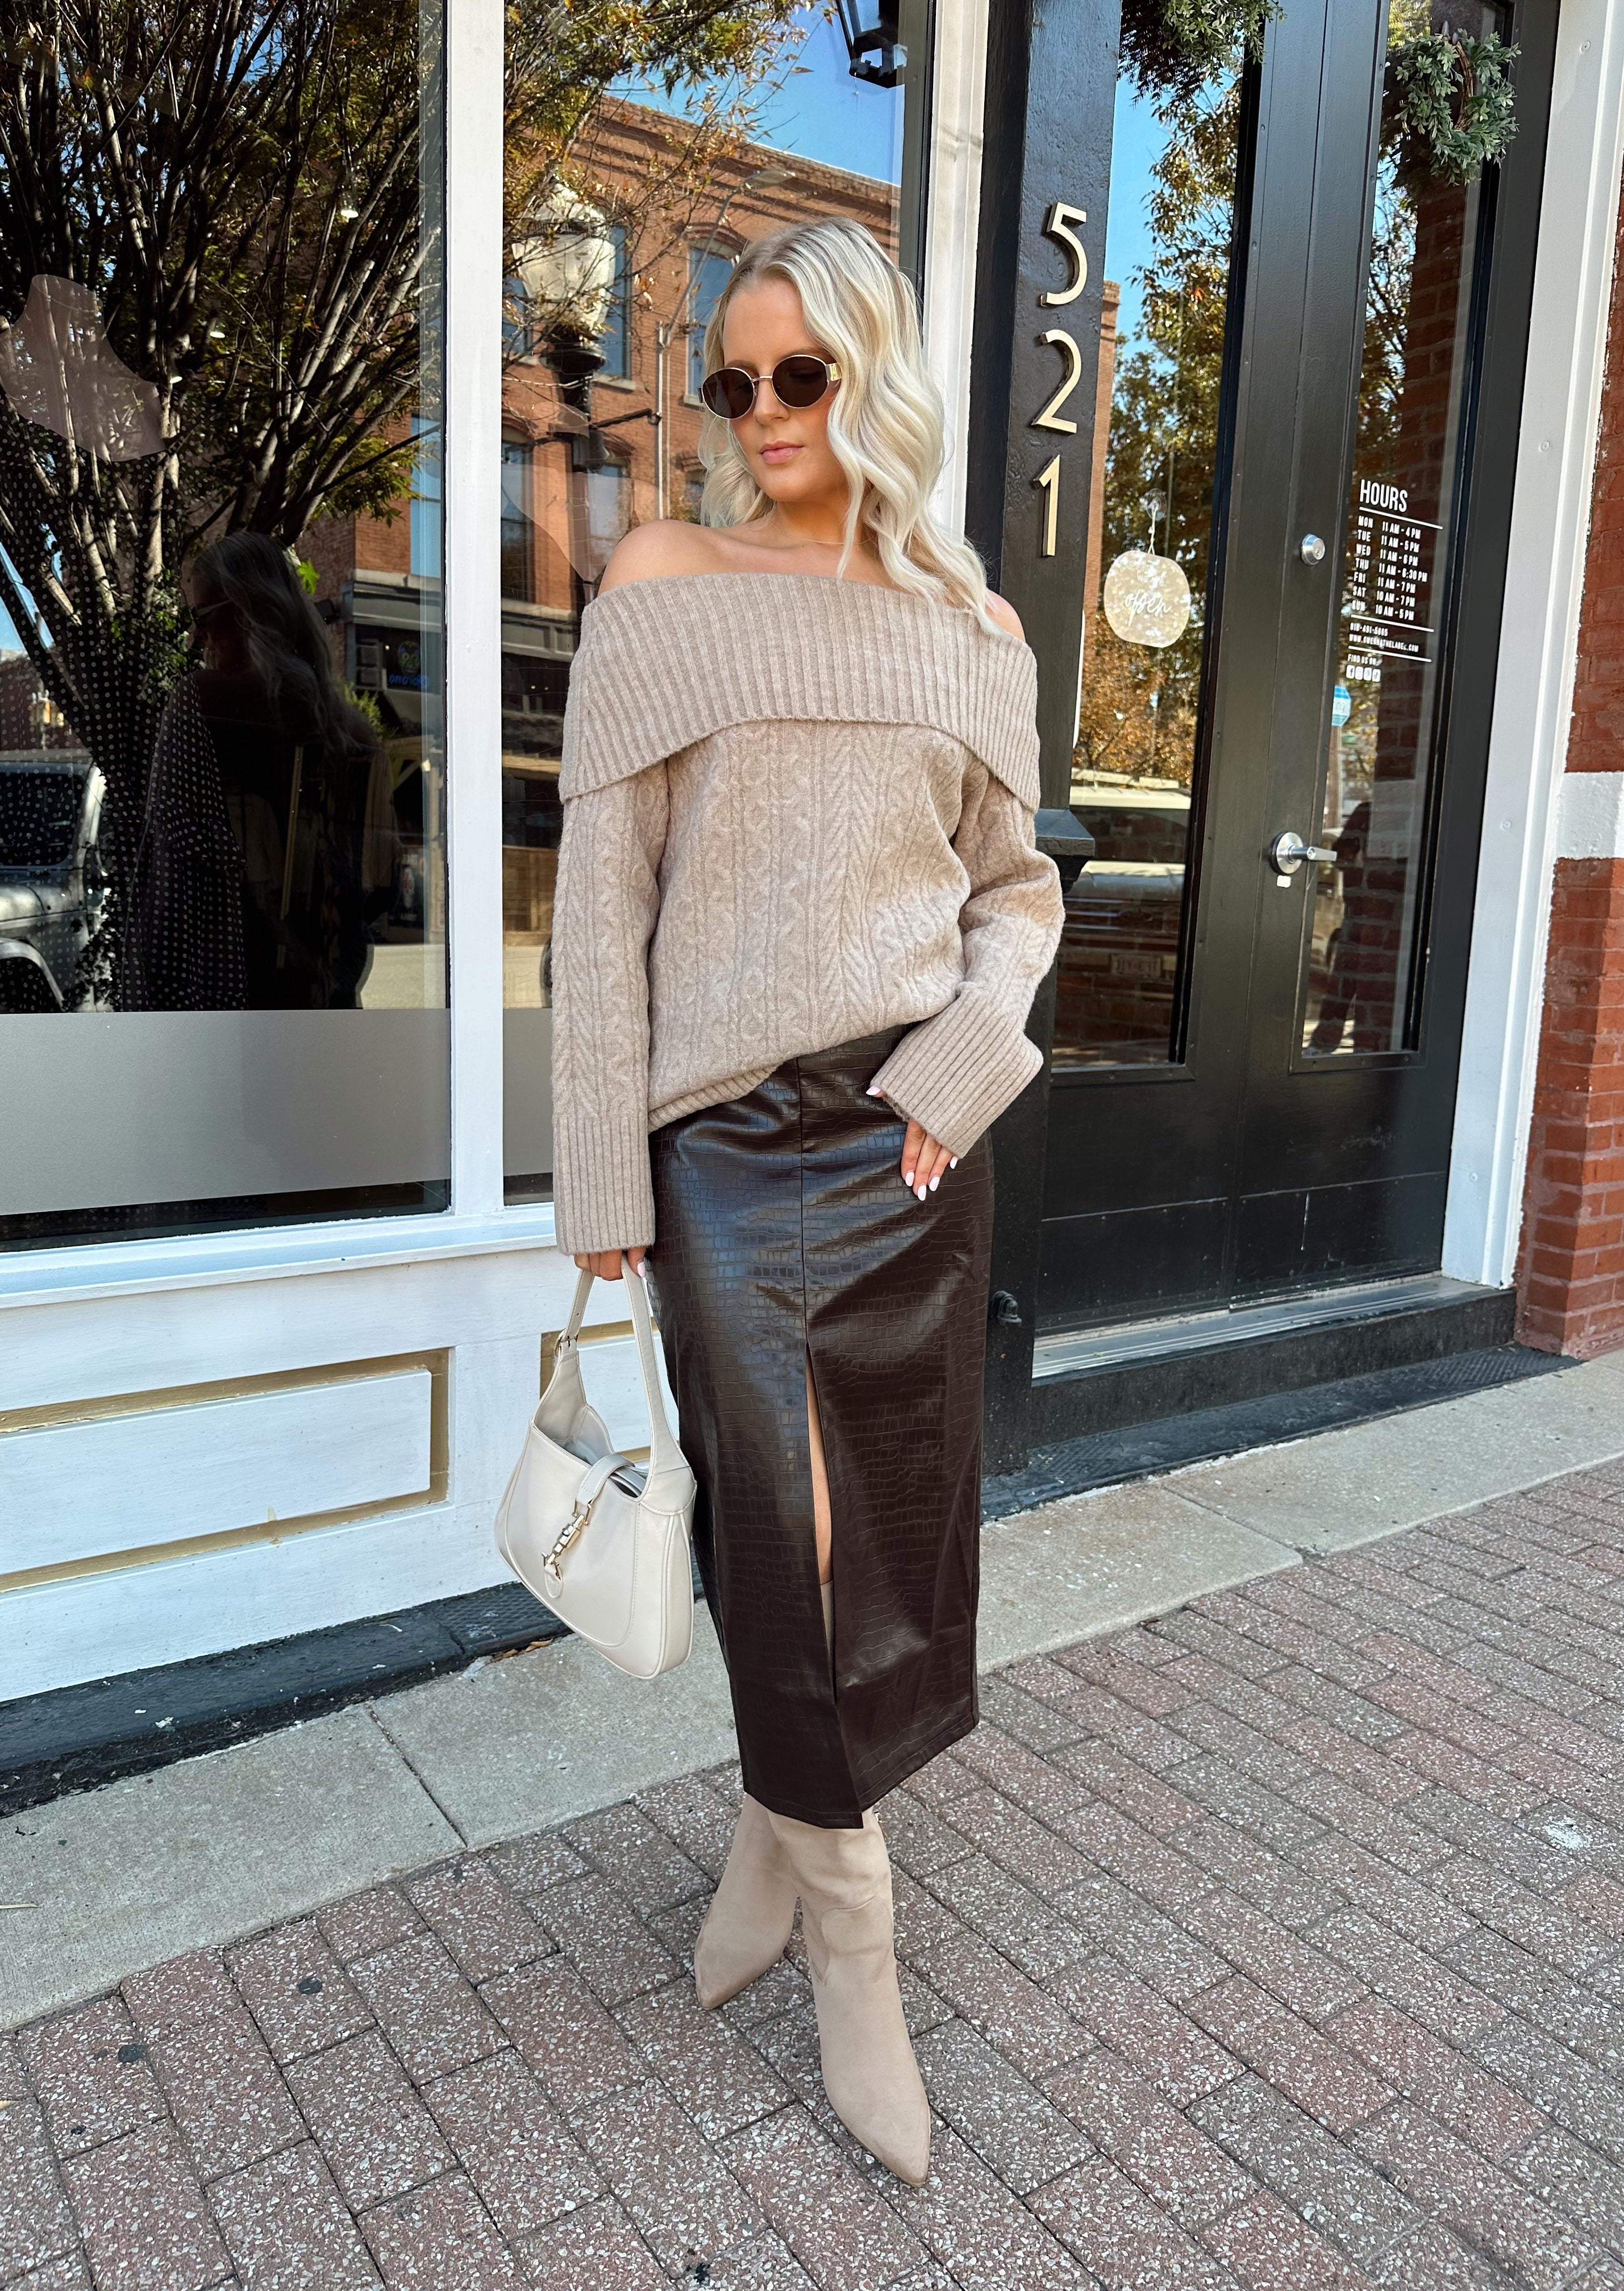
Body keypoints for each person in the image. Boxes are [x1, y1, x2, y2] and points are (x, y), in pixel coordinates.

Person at [548, 216, 1064, 2186]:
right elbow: (603, 911)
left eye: (799, 375)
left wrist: (963, 1065)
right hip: (730, 1147)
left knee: (899, 1538)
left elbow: (1016, 892)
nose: (759, 415)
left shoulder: (973, 628)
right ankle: (859, 1936)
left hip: (914, 1142)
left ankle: (775, 1847)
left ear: (873, 374)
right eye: (730, 382)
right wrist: (604, 1172)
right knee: (782, 1534)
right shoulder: (665, 584)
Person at [130, 532, 394, 1009]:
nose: (197, 638)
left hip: (222, 1003)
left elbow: (170, 878)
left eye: (202, 616)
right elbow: (377, 883)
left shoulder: (199, 701)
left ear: (245, 610)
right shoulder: (351, 727)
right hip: (322, 998)